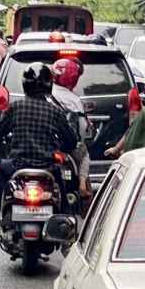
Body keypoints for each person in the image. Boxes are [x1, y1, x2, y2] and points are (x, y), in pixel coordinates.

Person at [0, 63, 79, 198]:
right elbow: (72, 140)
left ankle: (4, 201)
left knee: (2, 168)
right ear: (49, 85)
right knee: (63, 201)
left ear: (25, 84)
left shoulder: (15, 107)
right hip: (48, 168)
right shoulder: (55, 111)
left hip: (18, 166)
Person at [50, 58, 93, 198]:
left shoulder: (45, 94)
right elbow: (81, 128)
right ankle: (81, 186)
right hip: (67, 146)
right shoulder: (73, 99)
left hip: (46, 145)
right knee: (84, 155)